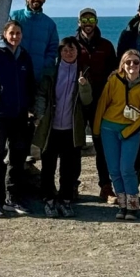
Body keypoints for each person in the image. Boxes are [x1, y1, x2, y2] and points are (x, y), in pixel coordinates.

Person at [0, 21, 36, 219]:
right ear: (5, 34)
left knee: (17, 158)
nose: (15, 36)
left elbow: (29, 84)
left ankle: (13, 198)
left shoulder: (24, 56)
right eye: (12, 33)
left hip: (19, 116)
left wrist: (29, 106)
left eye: (18, 33)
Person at [93, 50, 140, 220]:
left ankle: (133, 206)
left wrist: (129, 131)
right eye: (128, 62)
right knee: (114, 170)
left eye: (136, 62)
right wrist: (97, 129)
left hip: (131, 130)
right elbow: (102, 104)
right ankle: (122, 205)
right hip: (109, 129)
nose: (132, 66)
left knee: (127, 169)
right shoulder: (114, 80)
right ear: (122, 64)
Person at [33, 37, 92, 218]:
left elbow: (87, 100)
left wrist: (84, 86)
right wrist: (40, 115)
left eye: (72, 49)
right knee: (48, 167)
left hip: (71, 129)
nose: (68, 53)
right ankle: (49, 199)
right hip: (51, 127)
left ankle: (65, 200)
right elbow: (42, 94)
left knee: (69, 169)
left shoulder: (83, 72)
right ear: (60, 52)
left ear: (78, 51)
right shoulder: (51, 70)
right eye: (65, 50)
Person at [74, 7, 119, 203]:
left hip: (101, 103)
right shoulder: (72, 44)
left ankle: (106, 187)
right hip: (77, 102)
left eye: (91, 19)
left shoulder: (106, 46)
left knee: (102, 145)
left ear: (96, 21)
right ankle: (71, 185)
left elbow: (115, 73)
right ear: (79, 22)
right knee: (74, 144)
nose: (88, 23)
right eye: (84, 19)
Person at [9, 0, 59, 83]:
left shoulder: (49, 24)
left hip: (37, 78)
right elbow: (2, 38)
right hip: (14, 74)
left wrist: (43, 65)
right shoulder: (14, 16)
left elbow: (53, 49)